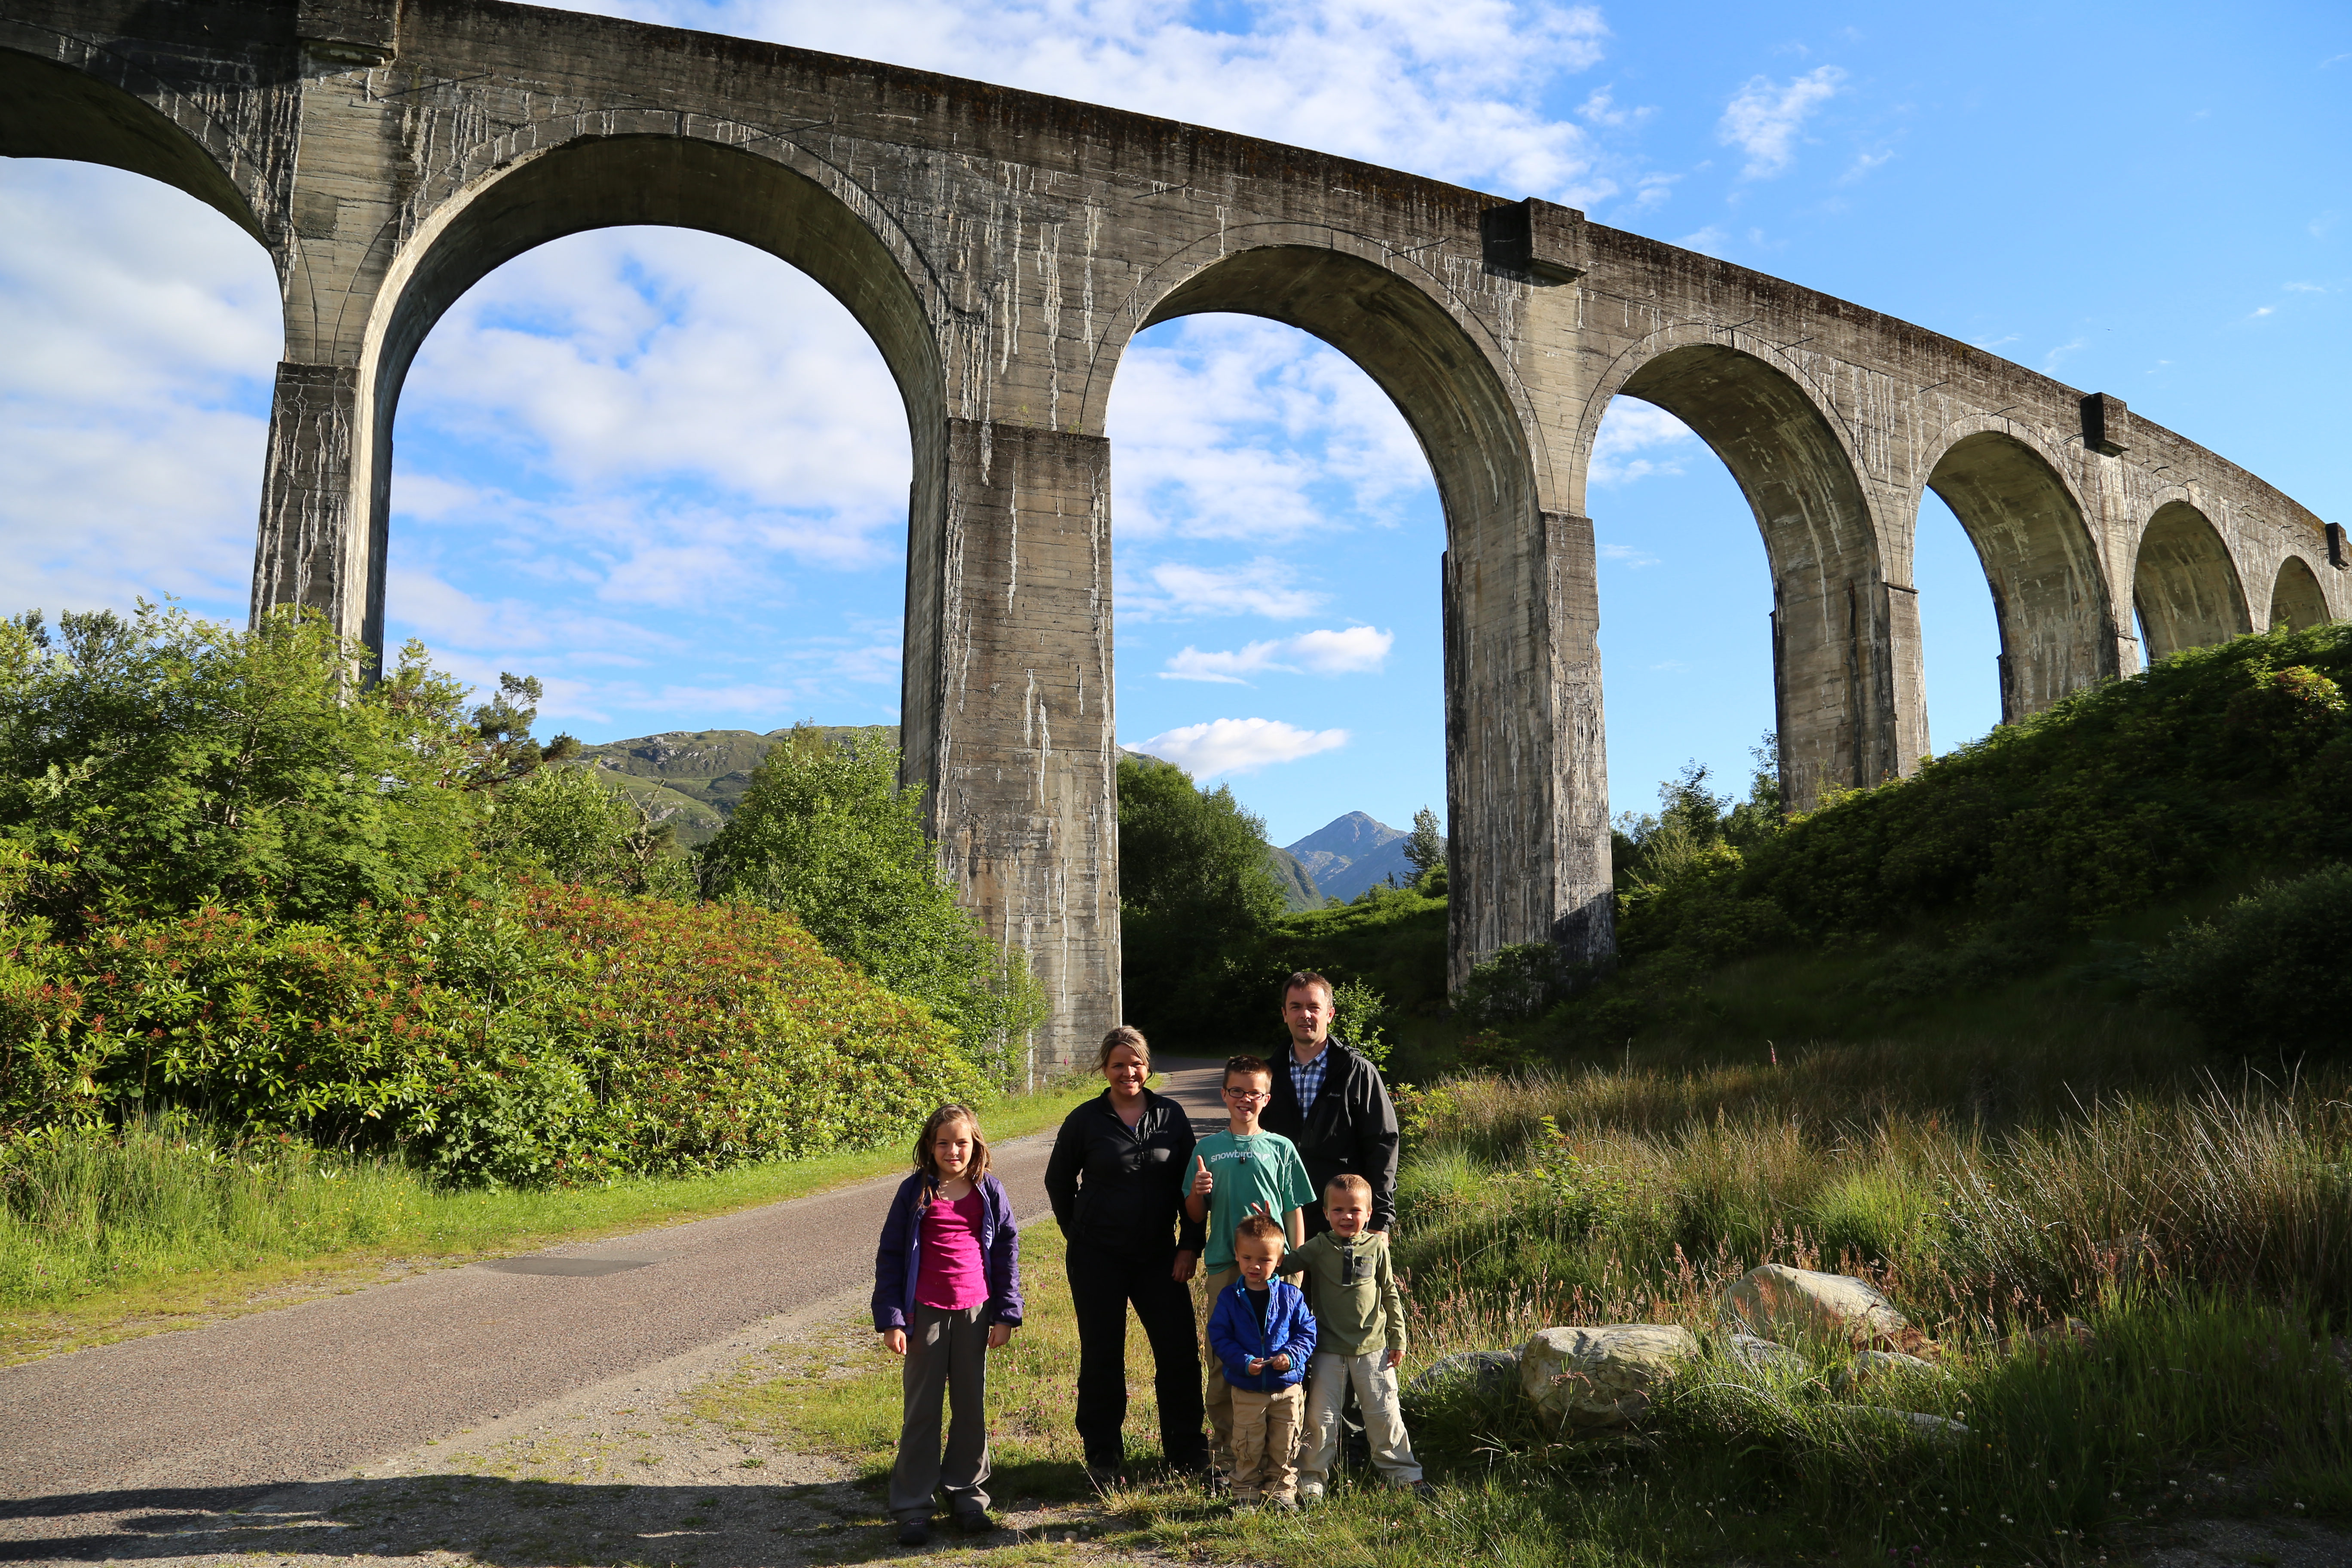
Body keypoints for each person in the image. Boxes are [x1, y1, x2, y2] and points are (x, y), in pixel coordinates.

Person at [1043, 1026, 1210, 1485]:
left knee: (1178, 1353)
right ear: (1105, 1068)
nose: (1128, 1072)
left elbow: (1192, 1185)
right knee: (1102, 1355)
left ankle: (1186, 1452)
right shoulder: (1085, 1119)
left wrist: (1189, 1246)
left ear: (1148, 1066)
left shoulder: (1172, 1117)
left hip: (1160, 1256)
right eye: (1118, 1064)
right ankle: (1103, 1456)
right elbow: (1058, 1180)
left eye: (1136, 1063)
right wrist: (1076, 1233)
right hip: (1098, 1258)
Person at [871, 1103, 1022, 1547]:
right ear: (929, 1147)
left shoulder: (989, 1191)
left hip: (976, 1312)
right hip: (924, 1314)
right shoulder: (914, 1193)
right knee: (922, 1411)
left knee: (971, 1409)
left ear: (975, 1144)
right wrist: (892, 1320)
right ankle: (914, 1506)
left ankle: (968, 1497)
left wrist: (1006, 1314)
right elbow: (892, 1257)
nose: (952, 1150)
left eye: (961, 1142)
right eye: (943, 1142)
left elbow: (1006, 1255)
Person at [1186, 1054, 1314, 1478]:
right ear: (1224, 1095)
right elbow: (1193, 1212)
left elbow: (1295, 1208)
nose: (1245, 1099)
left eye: (1253, 1092)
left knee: (1280, 1354)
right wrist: (1198, 1192)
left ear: (1267, 1098)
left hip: (1276, 1273)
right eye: (1236, 1091)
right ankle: (1227, 1458)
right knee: (1224, 1360)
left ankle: (1277, 1458)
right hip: (1226, 1268)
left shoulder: (1282, 1148)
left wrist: (1295, 1262)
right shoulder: (1207, 1150)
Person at [1279, 1174, 1430, 1501]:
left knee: (1384, 1413)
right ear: (1326, 1212)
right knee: (1321, 1418)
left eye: (1355, 1210)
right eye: (1338, 1210)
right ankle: (1311, 1479)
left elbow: (1390, 1293)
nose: (1347, 1217)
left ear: (1369, 1212)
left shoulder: (1377, 1247)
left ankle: (1403, 1474)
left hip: (1374, 1349)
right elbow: (1284, 1263)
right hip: (1328, 1349)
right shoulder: (1319, 1246)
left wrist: (1398, 1338)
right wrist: (1273, 1229)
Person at [1262, 971, 1402, 1238]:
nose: (1305, 1015)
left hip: (1343, 1220)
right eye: (1296, 1007)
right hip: (1280, 1218)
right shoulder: (1266, 1075)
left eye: (1314, 1007)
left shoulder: (1357, 1072)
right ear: (1284, 1014)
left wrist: (1380, 1220)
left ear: (1330, 1014)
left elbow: (1383, 1144)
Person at [1204, 1212, 1317, 1510]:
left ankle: (1281, 1491)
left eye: (1265, 1260)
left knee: (1285, 1443)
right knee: (1246, 1443)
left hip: (1287, 1387)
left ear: (1279, 1260)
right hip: (1247, 1388)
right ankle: (1245, 1493)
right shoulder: (1230, 1298)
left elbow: (1307, 1332)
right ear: (1237, 1257)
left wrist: (1291, 1357)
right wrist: (1243, 1362)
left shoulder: (1291, 1297)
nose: (1255, 1266)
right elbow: (1220, 1337)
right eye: (1247, 1258)